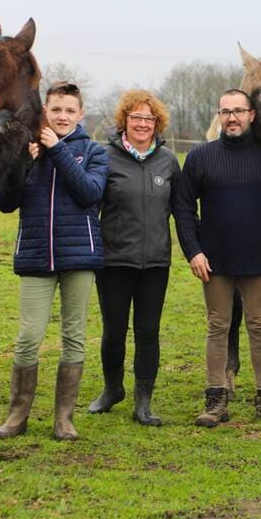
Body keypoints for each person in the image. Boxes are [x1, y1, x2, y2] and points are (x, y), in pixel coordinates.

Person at [173, 89, 261, 428]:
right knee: (217, 327)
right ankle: (216, 398)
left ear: (252, 115)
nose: (232, 118)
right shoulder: (200, 157)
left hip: (258, 260)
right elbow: (182, 206)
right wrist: (192, 250)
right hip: (215, 262)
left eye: (238, 111)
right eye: (226, 112)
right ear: (219, 116)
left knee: (258, 327)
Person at [0, 80, 108, 441]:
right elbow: (4, 202)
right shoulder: (28, 151)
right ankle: (17, 416)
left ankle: (63, 419)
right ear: (46, 112)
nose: (62, 116)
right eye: (56, 109)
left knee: (74, 337)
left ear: (80, 114)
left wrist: (57, 152)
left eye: (70, 110)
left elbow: (90, 193)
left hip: (79, 256)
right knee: (28, 337)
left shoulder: (93, 152)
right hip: (36, 256)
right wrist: (21, 163)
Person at [86, 89, 179, 425]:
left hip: (155, 262)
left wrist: (194, 250)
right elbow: (90, 204)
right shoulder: (104, 157)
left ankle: (143, 401)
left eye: (149, 118)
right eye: (136, 117)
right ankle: (112, 389)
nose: (142, 123)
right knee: (114, 330)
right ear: (124, 120)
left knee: (148, 331)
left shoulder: (168, 161)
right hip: (113, 261)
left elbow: (180, 209)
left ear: (157, 123)